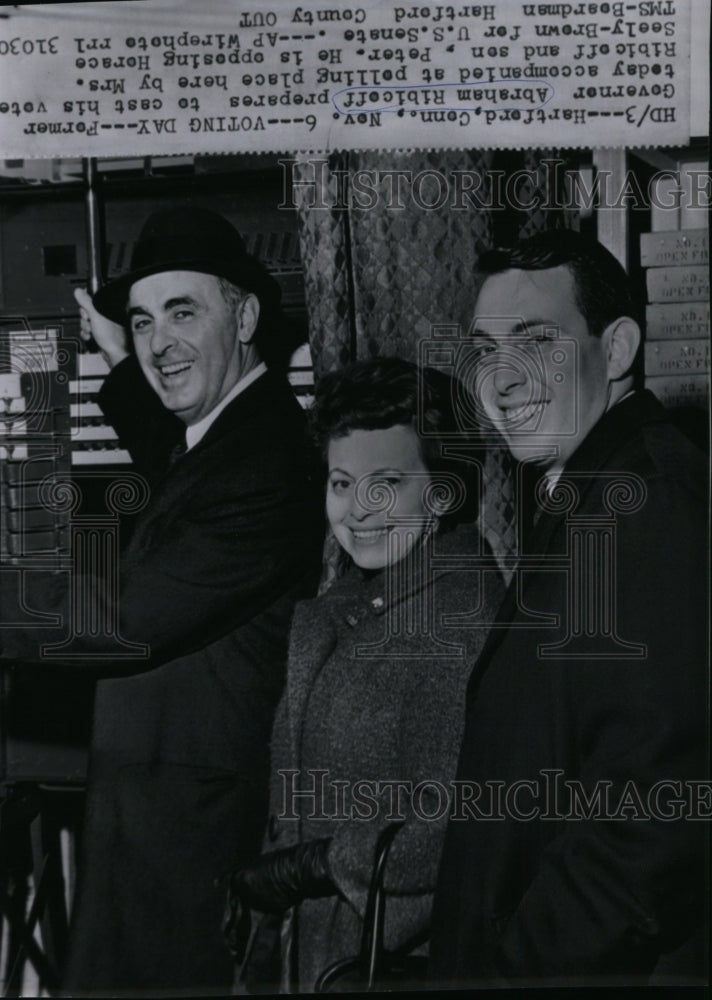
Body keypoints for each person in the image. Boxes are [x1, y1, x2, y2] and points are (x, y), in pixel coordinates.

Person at [0, 206, 323, 994]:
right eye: (143, 320)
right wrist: (124, 362)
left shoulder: (267, 463)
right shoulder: (233, 431)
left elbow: (120, 621)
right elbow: (178, 458)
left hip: (193, 830)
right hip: (159, 805)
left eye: (184, 313)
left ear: (245, 314)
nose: (158, 341)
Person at [429, 230, 708, 987]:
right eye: (485, 351)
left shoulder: (642, 502)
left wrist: (513, 971)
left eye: (534, 343)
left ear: (615, 350)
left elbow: (657, 817)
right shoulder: (595, 487)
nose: (503, 380)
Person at [224, 357, 505, 992]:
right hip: (327, 953)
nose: (356, 511)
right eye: (341, 483)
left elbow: (450, 824)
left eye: (387, 483)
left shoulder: (454, 620)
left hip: (384, 964)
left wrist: (317, 864)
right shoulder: (361, 600)